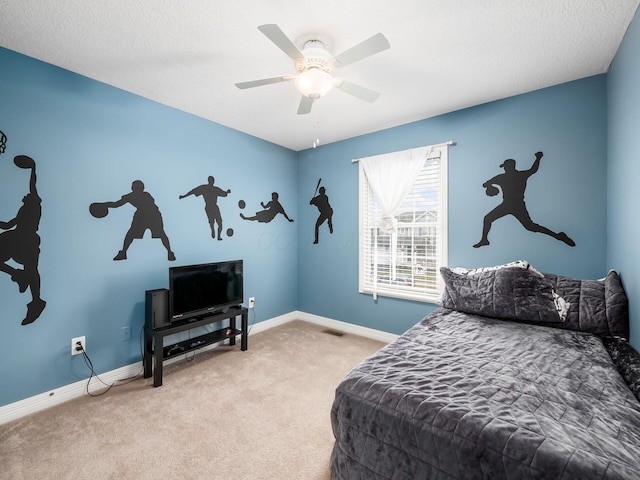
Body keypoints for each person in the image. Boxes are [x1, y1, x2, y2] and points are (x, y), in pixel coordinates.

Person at [473, 151, 575, 248]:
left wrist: (538, 158)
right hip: (508, 205)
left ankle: (558, 236)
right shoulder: (508, 177)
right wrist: (489, 187)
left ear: (509, 166)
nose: (504, 169)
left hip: (517, 205)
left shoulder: (516, 176)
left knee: (530, 227)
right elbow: (485, 184)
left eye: (505, 167)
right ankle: (484, 240)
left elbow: (533, 170)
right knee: (488, 219)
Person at [0, 152, 46, 325]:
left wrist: (33, 169)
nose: (25, 195)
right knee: (31, 270)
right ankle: (19, 276)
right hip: (17, 237)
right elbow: (6, 225)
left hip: (27, 239)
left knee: (32, 270)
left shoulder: (34, 203)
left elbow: (32, 185)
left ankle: (36, 300)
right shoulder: (23, 209)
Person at [102, 180, 176, 261]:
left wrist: (129, 198)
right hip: (141, 216)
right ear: (132, 188)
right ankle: (123, 252)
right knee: (130, 234)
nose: (137, 189)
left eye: (138, 187)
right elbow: (116, 204)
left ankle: (169, 252)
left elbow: (148, 204)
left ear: (142, 188)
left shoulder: (146, 195)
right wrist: (104, 205)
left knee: (161, 233)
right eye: (135, 187)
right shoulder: (130, 196)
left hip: (153, 215)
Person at [179, 176, 230, 240]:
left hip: (213, 206)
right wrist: (184, 196)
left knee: (219, 223)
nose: (212, 182)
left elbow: (224, 193)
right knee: (213, 222)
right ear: (209, 181)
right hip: (209, 206)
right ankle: (213, 230)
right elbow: (193, 191)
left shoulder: (214, 189)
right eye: (211, 180)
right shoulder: (205, 188)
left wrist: (227, 192)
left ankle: (218, 235)